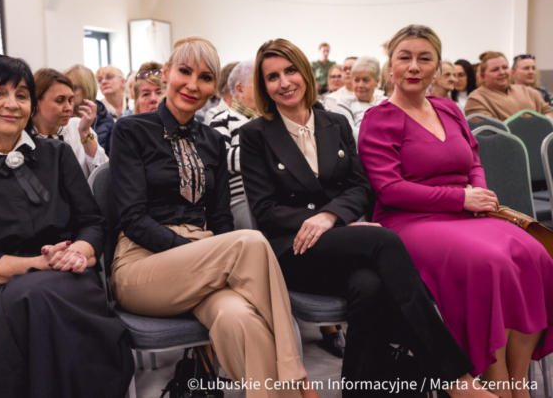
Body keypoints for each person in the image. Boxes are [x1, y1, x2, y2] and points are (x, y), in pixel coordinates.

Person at [240, 37, 495, 398]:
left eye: (291, 71)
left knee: (369, 287)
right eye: (272, 77)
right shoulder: (255, 135)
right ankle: (455, 379)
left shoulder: (335, 123)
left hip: (340, 240)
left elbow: (360, 186)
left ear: (305, 73)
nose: (284, 83)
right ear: (263, 86)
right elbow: (265, 210)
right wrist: (326, 219)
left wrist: (332, 216)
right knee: (384, 239)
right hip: (293, 249)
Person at [110, 36, 317, 398]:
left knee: (241, 319)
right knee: (250, 241)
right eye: (185, 71)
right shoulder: (131, 130)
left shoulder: (212, 141)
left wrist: (208, 255)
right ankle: (298, 379)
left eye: (205, 78)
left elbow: (221, 219)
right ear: (166, 73)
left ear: (213, 88)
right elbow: (133, 218)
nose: (193, 85)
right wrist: (198, 252)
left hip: (206, 259)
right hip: (142, 266)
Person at [358, 25, 553, 398]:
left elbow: (473, 159)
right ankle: (496, 385)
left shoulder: (448, 108)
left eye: (424, 58)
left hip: (466, 212)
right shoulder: (378, 119)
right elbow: (390, 189)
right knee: (490, 263)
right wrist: (461, 198)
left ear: (436, 66)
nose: (414, 67)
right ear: (391, 65)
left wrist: (477, 190)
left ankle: (519, 384)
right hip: (410, 219)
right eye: (405, 57)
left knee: (535, 254)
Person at [0, 54, 133, 398]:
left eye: (22, 95)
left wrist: (77, 253)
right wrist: (36, 265)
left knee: (35, 298)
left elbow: (92, 223)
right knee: (26, 299)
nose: (12, 104)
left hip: (68, 280)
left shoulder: (57, 154)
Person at [209, 60, 260, 229]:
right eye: (258, 83)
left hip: (277, 195)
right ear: (240, 89)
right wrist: (265, 152)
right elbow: (223, 160)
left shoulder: (271, 120)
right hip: (243, 199)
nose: (265, 88)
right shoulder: (221, 119)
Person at [32, 68, 108, 179]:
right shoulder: (23, 135)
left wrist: (85, 133)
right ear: (36, 102)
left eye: (70, 100)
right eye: (59, 100)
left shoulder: (77, 126)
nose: (68, 108)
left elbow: (104, 176)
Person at [464, 51, 552, 119]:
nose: (502, 72)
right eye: (495, 70)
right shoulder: (476, 99)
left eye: (505, 67)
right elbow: (489, 130)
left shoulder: (529, 92)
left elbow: (549, 112)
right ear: (482, 76)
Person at [63, 64, 114, 154]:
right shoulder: (62, 117)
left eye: (73, 88)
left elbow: (111, 157)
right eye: (65, 88)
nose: (68, 93)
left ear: (87, 87)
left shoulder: (106, 120)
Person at [335, 56, 387, 140]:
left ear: (377, 81)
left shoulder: (385, 102)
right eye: (356, 80)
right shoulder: (344, 102)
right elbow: (349, 132)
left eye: (366, 80)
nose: (360, 85)